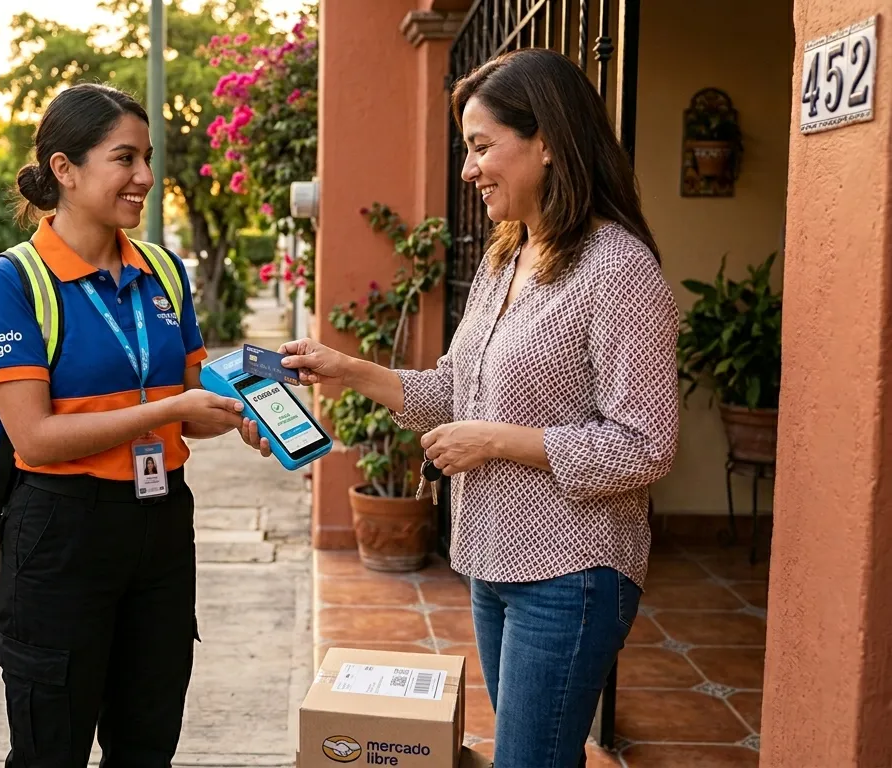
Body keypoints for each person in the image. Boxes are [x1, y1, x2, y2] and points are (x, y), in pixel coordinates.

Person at [267, 49, 679, 768]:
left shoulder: (617, 269)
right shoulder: (505, 258)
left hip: (573, 573)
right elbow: (455, 390)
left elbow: (645, 446)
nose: (468, 170)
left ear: (547, 141)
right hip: (491, 561)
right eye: (467, 149)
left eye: (482, 147)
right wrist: (344, 367)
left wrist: (497, 441)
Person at [0, 82, 272, 767]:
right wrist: (169, 410)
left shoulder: (162, 271)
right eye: (125, 158)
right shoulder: (14, 282)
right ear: (64, 170)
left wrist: (252, 403)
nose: (145, 177)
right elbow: (34, 437)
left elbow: (194, 389)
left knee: (147, 739)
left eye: (147, 158)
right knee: (52, 747)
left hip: (161, 522)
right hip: (61, 533)